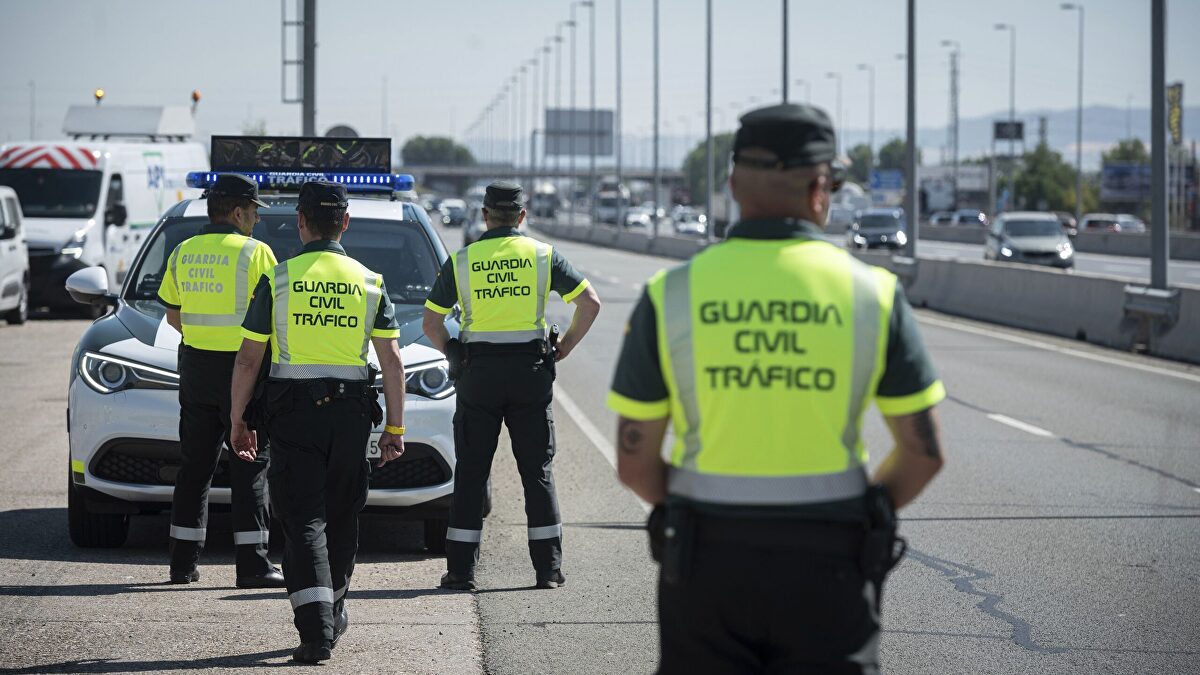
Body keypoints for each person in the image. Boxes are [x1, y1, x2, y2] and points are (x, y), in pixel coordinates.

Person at [609, 104, 947, 674]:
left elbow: (633, 463)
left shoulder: (671, 295)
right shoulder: (873, 294)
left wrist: (686, 510)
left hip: (706, 565)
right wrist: (869, 513)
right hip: (831, 565)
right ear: (820, 189)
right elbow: (924, 454)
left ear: (732, 184)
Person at [229, 180, 407, 664]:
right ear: (345, 223)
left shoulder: (279, 279)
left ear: (301, 222)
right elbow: (392, 361)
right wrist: (395, 429)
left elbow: (248, 359)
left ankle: (316, 631)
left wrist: (238, 419)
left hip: (294, 416)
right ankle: (334, 608)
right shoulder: (370, 281)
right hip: (351, 415)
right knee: (343, 514)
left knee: (303, 518)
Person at [423, 181, 601, 591]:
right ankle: (548, 569)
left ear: (485, 215)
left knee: (471, 472)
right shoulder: (542, 255)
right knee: (537, 471)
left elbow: (431, 323)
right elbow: (590, 303)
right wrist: (564, 346)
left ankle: (461, 571)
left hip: (478, 375)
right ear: (522, 216)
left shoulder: (463, 260)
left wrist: (453, 351)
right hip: (530, 373)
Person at [156, 173, 284, 589]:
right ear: (238, 212)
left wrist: (203, 340)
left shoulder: (183, 251)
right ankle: (253, 566)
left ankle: (182, 564)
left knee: (194, 467)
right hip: (242, 371)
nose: (257, 220)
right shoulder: (255, 253)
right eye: (254, 212)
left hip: (196, 367)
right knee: (250, 465)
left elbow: (173, 316)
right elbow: (274, 317)